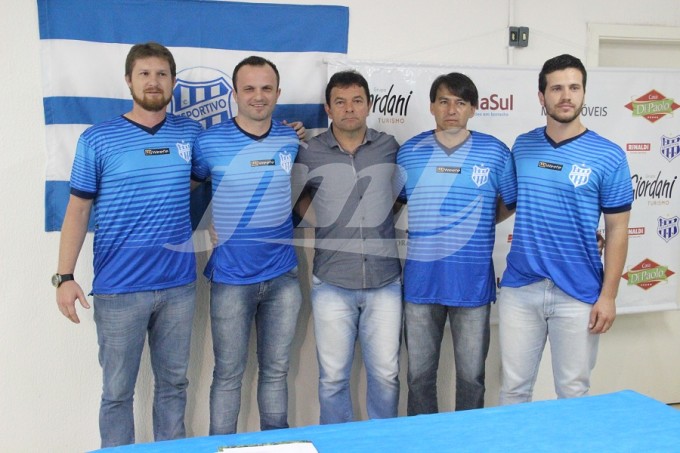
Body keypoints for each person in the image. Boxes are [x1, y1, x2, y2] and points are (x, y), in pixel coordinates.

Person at [53, 42, 202, 448]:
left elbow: (210, 173)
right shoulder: (97, 139)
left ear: (172, 82)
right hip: (119, 290)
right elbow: (77, 211)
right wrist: (64, 276)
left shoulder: (191, 134)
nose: (153, 82)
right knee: (117, 393)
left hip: (178, 287)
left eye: (162, 74)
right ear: (128, 80)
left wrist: (288, 131)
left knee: (174, 386)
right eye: (144, 74)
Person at [498, 54, 632, 404]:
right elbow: (507, 204)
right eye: (556, 88)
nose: (566, 96)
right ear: (541, 96)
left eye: (574, 87)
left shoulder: (609, 155)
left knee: (573, 394)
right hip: (520, 289)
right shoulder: (523, 145)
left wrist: (609, 296)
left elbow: (618, 229)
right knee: (513, 390)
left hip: (579, 293)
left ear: (584, 93)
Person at [192, 56, 302, 435]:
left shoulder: (291, 138)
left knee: (276, 372)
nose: (258, 96)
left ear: (277, 93)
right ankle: (219, 447)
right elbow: (182, 192)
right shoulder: (208, 143)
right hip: (231, 279)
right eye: (250, 88)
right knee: (227, 374)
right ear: (234, 93)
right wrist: (201, 229)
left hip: (283, 277)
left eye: (266, 88)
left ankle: (278, 445)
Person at [396, 73, 515, 414]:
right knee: (418, 377)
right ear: (432, 106)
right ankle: (423, 443)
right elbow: (397, 201)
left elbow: (510, 200)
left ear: (473, 109)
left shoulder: (495, 152)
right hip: (421, 285)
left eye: (461, 102)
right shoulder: (410, 153)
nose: (452, 109)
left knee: (472, 377)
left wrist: (474, 221)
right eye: (444, 101)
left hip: (472, 285)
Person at [293, 70, 402, 424]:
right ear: (328, 107)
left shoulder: (390, 147)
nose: (349, 108)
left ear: (369, 105)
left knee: (386, 377)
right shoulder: (310, 152)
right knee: (332, 379)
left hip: (385, 282)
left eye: (357, 100)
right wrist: (323, 220)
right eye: (340, 101)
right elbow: (297, 198)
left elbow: (398, 195)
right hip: (332, 283)